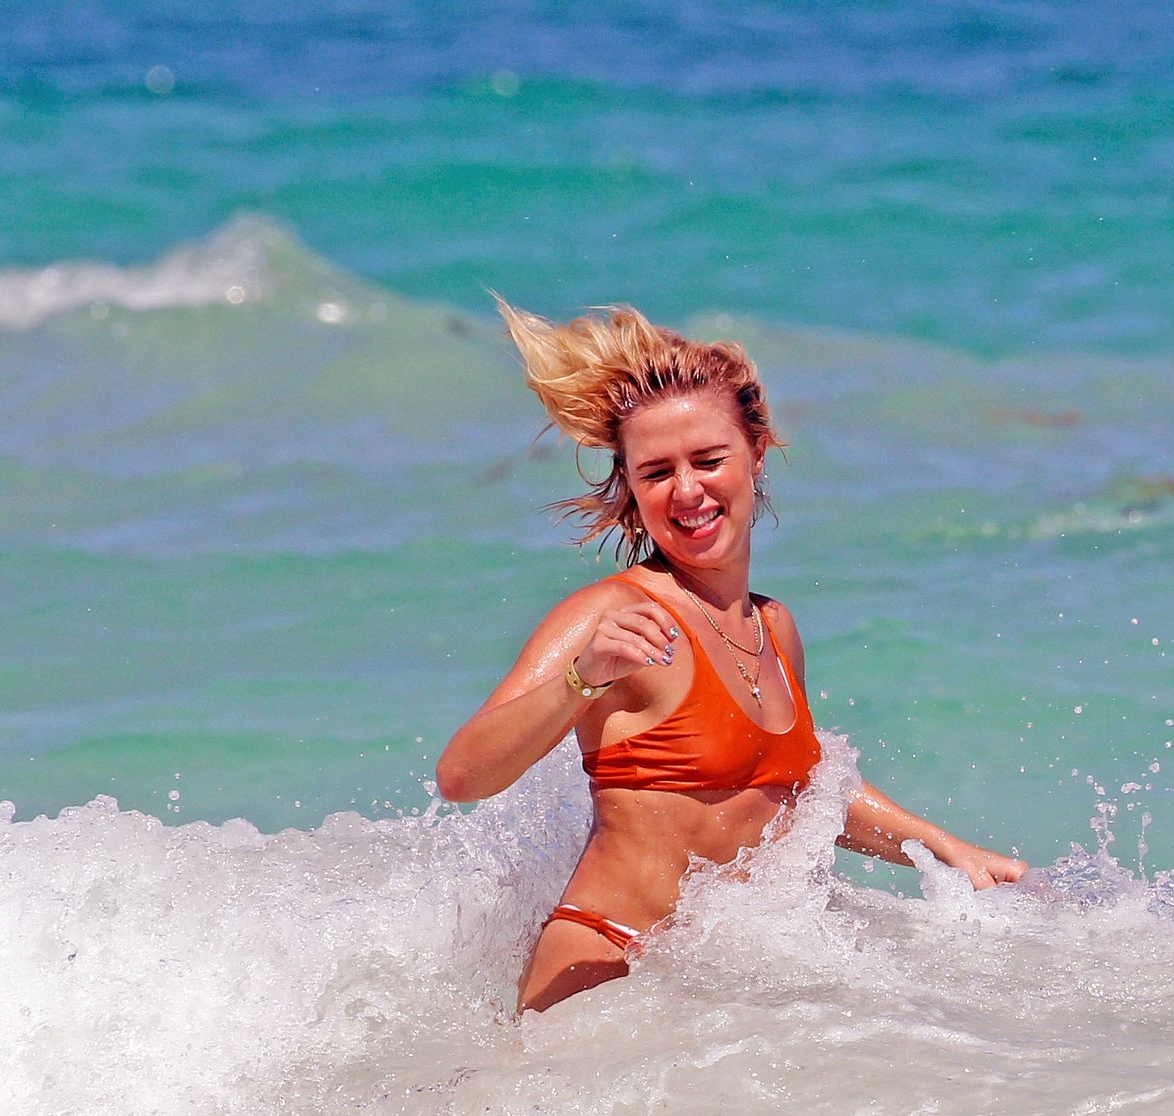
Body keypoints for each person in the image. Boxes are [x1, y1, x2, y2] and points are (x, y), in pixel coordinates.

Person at [437, 299, 1027, 1014]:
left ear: (757, 455)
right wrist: (579, 680)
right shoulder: (611, 616)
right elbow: (463, 775)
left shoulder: (775, 627)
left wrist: (944, 851)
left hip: (722, 986)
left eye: (709, 460)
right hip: (606, 970)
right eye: (656, 472)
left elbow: (803, 792)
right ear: (631, 488)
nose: (687, 490)